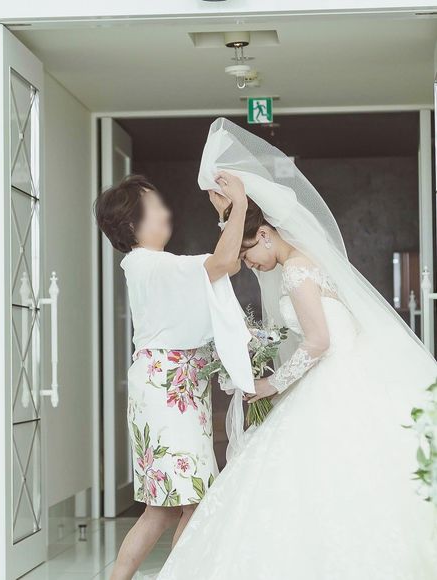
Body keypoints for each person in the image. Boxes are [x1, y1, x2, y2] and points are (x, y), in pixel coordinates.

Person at [155, 118, 437, 579]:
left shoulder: (296, 271)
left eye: (248, 256)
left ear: (266, 235)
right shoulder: (306, 264)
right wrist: (231, 209)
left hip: (333, 379)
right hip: (348, 373)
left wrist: (270, 384)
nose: (250, 266)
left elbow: (319, 341)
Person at [94, 173, 254, 580]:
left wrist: (228, 219)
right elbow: (224, 263)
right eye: (155, 206)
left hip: (171, 389)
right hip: (169, 392)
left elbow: (223, 265)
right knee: (192, 506)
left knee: (164, 508)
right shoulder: (151, 264)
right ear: (132, 223)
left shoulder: (151, 266)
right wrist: (238, 207)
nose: (167, 212)